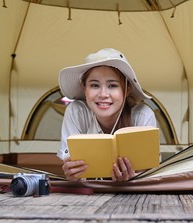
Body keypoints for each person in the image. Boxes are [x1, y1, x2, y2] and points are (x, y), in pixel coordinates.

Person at [57, 48, 157, 181]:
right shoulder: (76, 113)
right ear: (84, 87)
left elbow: (149, 175)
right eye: (94, 85)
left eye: (112, 86)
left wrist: (133, 178)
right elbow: (73, 169)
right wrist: (72, 173)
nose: (103, 94)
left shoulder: (142, 116)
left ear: (127, 89)